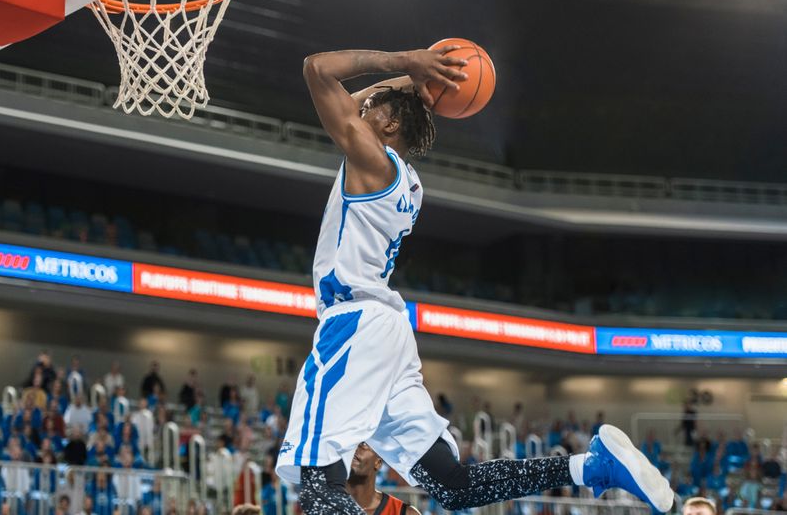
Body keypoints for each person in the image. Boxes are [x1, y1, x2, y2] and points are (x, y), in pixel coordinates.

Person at [273, 46, 674, 514]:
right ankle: (590, 467)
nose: (361, 108)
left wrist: (406, 61)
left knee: (318, 485)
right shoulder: (405, 180)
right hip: (387, 332)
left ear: (388, 126)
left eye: (370, 111)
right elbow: (357, 94)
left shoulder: (373, 162)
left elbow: (317, 70)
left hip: (353, 323)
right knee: (453, 483)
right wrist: (421, 80)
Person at [347, 442, 420, 515]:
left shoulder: (406, 513)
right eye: (351, 443)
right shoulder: (335, 505)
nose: (354, 449)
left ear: (378, 463)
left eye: (363, 444)